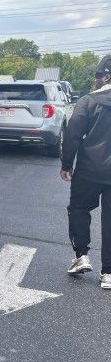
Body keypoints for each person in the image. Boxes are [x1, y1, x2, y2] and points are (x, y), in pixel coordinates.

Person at [61, 55, 111, 289]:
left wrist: (66, 163)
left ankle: (81, 256)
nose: (95, 80)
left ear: (107, 76)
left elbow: (72, 134)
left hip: (89, 170)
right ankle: (108, 273)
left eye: (98, 75)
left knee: (79, 209)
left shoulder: (88, 102)